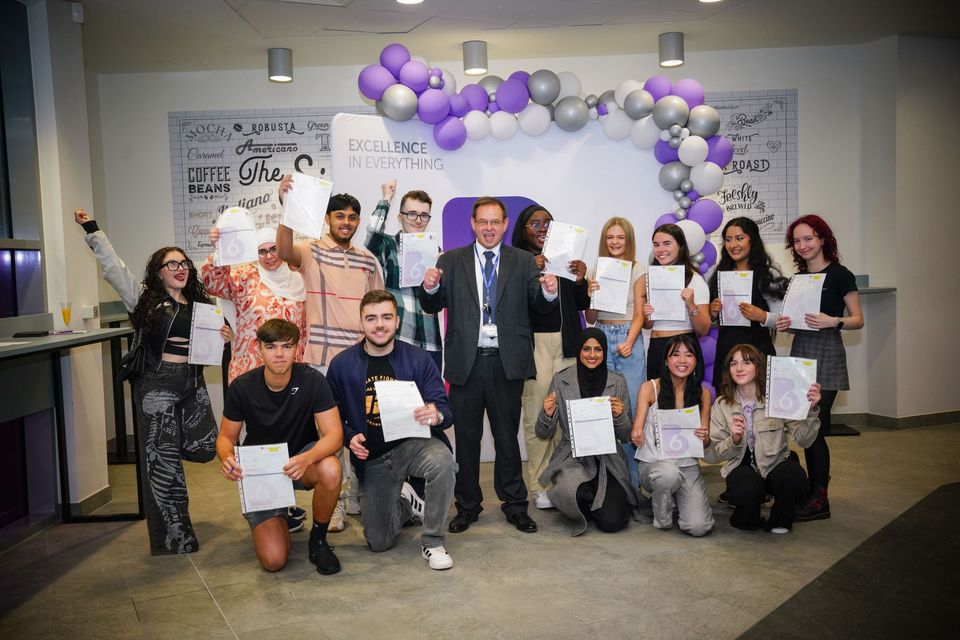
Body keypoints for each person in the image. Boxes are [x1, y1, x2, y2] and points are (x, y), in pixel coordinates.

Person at [74, 208, 230, 555]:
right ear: (158, 272)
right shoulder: (144, 298)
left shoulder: (202, 303)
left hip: (192, 384)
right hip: (156, 386)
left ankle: (173, 462)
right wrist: (92, 229)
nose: (180, 268)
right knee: (163, 462)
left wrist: (225, 334)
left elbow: (211, 345)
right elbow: (114, 268)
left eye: (184, 263)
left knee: (206, 447)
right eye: (171, 264)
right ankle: (173, 537)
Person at [418, 196, 559, 534]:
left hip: (507, 362)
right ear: (472, 223)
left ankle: (514, 505)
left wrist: (550, 293)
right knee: (466, 440)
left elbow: (539, 307)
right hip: (467, 363)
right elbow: (431, 304)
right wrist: (430, 286)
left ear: (505, 224)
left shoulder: (524, 261)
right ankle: (467, 507)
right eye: (483, 221)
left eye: (495, 222)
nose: (489, 228)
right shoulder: (450, 261)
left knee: (507, 438)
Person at [277, 177, 385, 530]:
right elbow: (283, 251)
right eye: (339, 216)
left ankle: (356, 496)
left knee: (362, 427)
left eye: (353, 217)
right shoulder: (310, 251)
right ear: (328, 219)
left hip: (359, 361)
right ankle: (334, 503)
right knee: (330, 436)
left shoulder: (368, 261)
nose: (346, 222)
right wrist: (287, 207)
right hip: (321, 363)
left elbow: (377, 309)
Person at [326, 290, 457, 570]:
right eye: (371, 318)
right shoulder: (341, 365)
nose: (380, 324)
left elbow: (445, 409)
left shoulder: (419, 359)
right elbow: (331, 416)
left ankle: (432, 542)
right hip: (372, 457)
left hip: (413, 446)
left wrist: (435, 414)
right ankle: (405, 503)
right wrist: (349, 437)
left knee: (443, 461)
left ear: (397, 321)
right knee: (379, 541)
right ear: (361, 322)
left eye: (386, 317)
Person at [216, 319, 343, 574]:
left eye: (287, 346)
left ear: (297, 348)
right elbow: (225, 438)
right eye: (271, 346)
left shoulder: (313, 380)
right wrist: (227, 458)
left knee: (331, 468)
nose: (279, 354)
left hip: (299, 459)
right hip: (261, 469)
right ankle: (280, 514)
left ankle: (318, 541)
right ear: (258, 349)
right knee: (274, 561)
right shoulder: (242, 386)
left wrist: (307, 458)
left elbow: (335, 435)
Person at [781, 214, 864, 521]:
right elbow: (795, 319)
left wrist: (834, 321)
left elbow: (858, 319)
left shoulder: (841, 274)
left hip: (827, 351)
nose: (803, 246)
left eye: (809, 239)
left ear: (823, 239)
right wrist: (787, 324)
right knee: (802, 426)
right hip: (801, 350)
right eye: (797, 241)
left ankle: (820, 498)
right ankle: (812, 492)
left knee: (813, 427)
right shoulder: (798, 279)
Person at [511, 204, 590, 511]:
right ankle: (540, 484)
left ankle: (564, 480)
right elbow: (514, 301)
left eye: (547, 223)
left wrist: (581, 278)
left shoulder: (567, 256)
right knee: (538, 415)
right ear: (523, 229)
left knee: (568, 416)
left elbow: (581, 304)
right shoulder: (517, 260)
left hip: (569, 342)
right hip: (536, 345)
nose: (542, 227)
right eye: (535, 223)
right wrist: (531, 267)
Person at [536, 328, 639, 535]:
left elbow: (626, 435)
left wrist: (620, 416)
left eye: (598, 350)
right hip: (572, 456)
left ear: (604, 352)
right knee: (573, 491)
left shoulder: (617, 381)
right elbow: (543, 433)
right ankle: (573, 495)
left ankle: (592, 499)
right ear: (579, 350)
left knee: (612, 523)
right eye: (586, 349)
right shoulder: (561, 380)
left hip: (607, 458)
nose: (592, 355)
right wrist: (547, 414)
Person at [709, 345, 821, 533]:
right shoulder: (722, 404)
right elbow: (715, 453)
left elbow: (804, 440)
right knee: (746, 501)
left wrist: (810, 410)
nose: (739, 368)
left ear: (758, 367)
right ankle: (747, 514)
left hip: (774, 464)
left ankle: (781, 519)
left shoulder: (777, 398)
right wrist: (734, 440)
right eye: (733, 363)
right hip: (741, 467)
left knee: (793, 475)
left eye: (746, 362)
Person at [631, 333, 714, 537]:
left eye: (689, 355)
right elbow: (636, 430)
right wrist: (637, 434)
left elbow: (705, 443)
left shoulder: (702, 392)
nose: (682, 361)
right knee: (667, 474)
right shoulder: (649, 388)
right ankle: (662, 516)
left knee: (699, 527)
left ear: (697, 360)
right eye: (675, 355)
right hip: (654, 465)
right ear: (667, 361)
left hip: (687, 466)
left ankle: (675, 496)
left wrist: (704, 436)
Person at [201, 226, 307, 384]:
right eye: (262, 251)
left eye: (274, 249)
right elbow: (213, 284)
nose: (269, 256)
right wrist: (220, 249)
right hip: (252, 366)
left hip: (292, 368)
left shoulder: (300, 277)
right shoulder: (245, 276)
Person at [585, 217, 647, 486]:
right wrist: (590, 293)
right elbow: (590, 317)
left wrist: (630, 341)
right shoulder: (597, 269)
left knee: (630, 411)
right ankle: (609, 483)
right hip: (602, 337)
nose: (615, 242)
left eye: (620, 237)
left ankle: (633, 485)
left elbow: (639, 311)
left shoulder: (638, 268)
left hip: (627, 339)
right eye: (610, 237)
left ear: (629, 240)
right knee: (604, 410)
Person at [365, 179, 443, 371]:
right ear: (400, 217)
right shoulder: (388, 245)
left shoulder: (436, 250)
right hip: (399, 340)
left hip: (430, 341)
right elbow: (372, 236)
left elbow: (439, 299)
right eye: (412, 214)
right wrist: (386, 199)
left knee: (430, 398)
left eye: (424, 215)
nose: (418, 219)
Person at [707, 217, 789, 389]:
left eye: (739, 238)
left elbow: (783, 319)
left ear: (752, 240)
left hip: (758, 350)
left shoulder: (768, 275)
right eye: (728, 240)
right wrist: (713, 313)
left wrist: (762, 316)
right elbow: (712, 321)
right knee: (727, 402)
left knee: (760, 403)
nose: (733, 244)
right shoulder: (720, 273)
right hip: (727, 351)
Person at [639, 223, 711, 380]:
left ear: (680, 246)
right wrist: (647, 314)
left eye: (667, 243)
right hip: (656, 348)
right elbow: (648, 325)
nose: (661, 249)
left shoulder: (695, 280)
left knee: (685, 401)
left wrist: (691, 304)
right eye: (656, 245)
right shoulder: (651, 279)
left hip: (683, 348)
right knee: (658, 401)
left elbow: (704, 329)